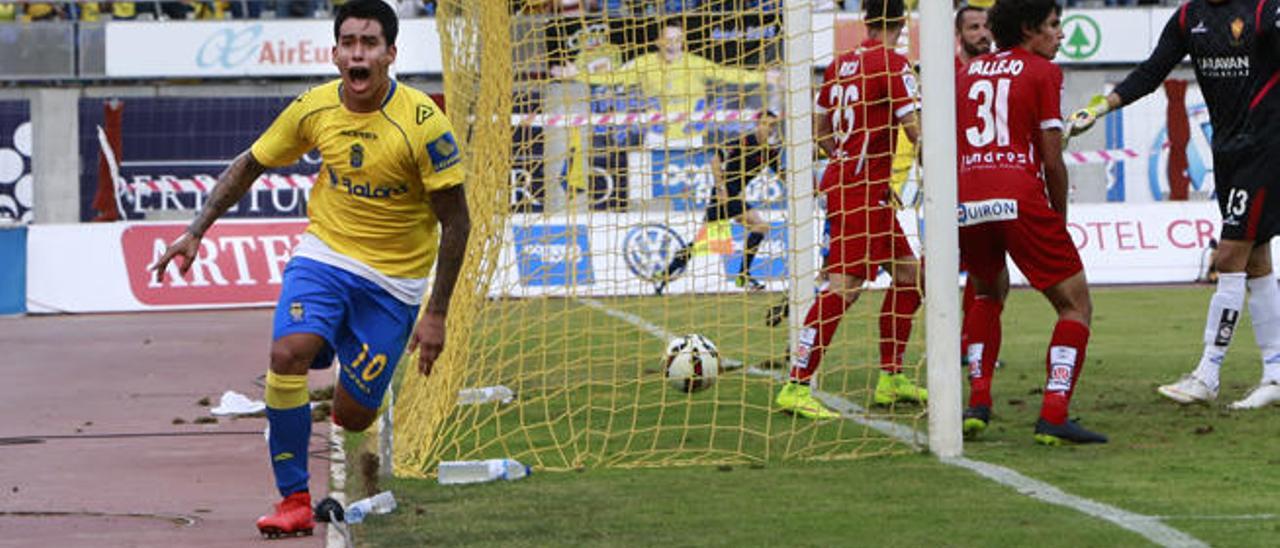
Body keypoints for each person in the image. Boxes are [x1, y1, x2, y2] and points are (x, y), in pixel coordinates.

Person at [151, 0, 471, 537]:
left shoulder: (424, 124)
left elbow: (457, 223)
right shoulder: (314, 108)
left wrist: (436, 314)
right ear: (334, 53)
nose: (357, 53)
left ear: (391, 54)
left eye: (369, 43)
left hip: (394, 283)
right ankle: (294, 499)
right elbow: (251, 162)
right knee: (286, 354)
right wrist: (196, 229)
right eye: (348, 43)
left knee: (353, 416)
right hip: (325, 256)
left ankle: (335, 347)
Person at [1070, 0, 1280, 410]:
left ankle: (1208, 373)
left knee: (1229, 256)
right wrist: (1099, 108)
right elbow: (1152, 72)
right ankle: (1275, 372)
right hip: (1228, 151)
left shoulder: (1263, 10)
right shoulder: (1189, 16)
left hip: (1266, 147)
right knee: (1255, 260)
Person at [956, 0, 1104, 445]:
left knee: (986, 292)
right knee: (1075, 305)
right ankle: (1054, 413)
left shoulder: (966, 74)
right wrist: (1058, 214)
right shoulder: (1043, 72)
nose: (1059, 35)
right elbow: (1052, 160)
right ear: (1028, 30)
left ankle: (978, 402)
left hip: (969, 197)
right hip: (1019, 195)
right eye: (1053, 26)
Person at [775, 0, 926, 420]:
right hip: (862, 192)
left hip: (852, 185)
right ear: (903, 21)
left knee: (910, 276)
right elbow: (918, 133)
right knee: (843, 288)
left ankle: (891, 377)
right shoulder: (893, 65)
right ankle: (797, 384)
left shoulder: (837, 65)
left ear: (867, 18)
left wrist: (848, 160)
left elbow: (821, 131)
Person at [656, 111, 781, 295]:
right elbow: (716, 159)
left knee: (709, 241)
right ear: (757, 124)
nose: (768, 129)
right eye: (765, 124)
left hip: (734, 196)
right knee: (755, 228)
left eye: (772, 126)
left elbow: (782, 173)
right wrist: (721, 188)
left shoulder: (770, 152)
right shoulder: (745, 141)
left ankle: (665, 274)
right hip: (724, 195)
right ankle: (743, 275)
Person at [953, 3, 1011, 372]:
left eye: (986, 26)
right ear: (959, 35)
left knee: (988, 274)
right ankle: (892, 365)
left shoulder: (999, 74)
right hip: (954, 190)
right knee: (927, 273)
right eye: (973, 27)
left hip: (990, 187)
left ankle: (970, 344)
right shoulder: (947, 77)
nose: (982, 34)